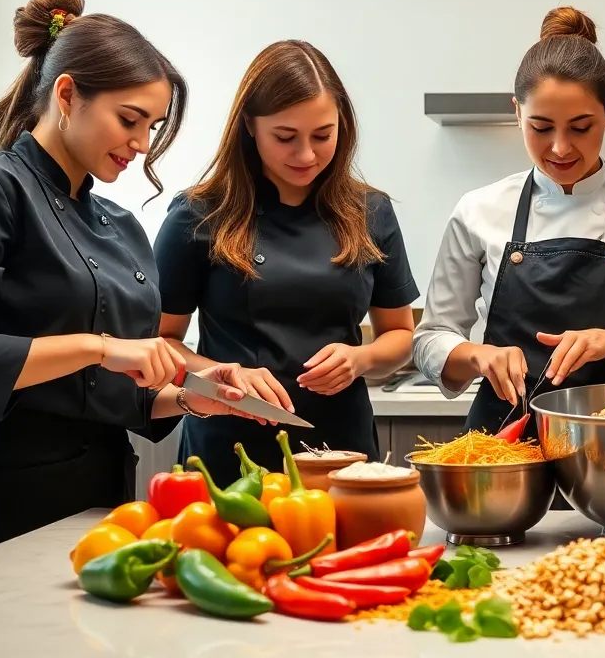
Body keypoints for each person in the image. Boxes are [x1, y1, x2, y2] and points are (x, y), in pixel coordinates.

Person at [0, 0, 275, 581]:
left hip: (97, 504)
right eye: (130, 120)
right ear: (66, 94)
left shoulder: (120, 226)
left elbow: (111, 390)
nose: (143, 144)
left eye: (152, 125)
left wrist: (191, 392)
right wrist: (99, 346)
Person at [414, 7, 605, 442]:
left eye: (581, 127)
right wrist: (477, 356)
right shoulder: (478, 210)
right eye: (541, 127)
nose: (560, 148)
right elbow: (430, 338)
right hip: (502, 447)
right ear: (516, 113)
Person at [154, 40, 419, 486]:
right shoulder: (198, 215)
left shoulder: (370, 212)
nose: (306, 155)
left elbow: (400, 336)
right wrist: (220, 373)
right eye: (285, 137)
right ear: (249, 127)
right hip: (229, 451)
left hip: (342, 448)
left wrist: (360, 358)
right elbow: (160, 343)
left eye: (322, 135)